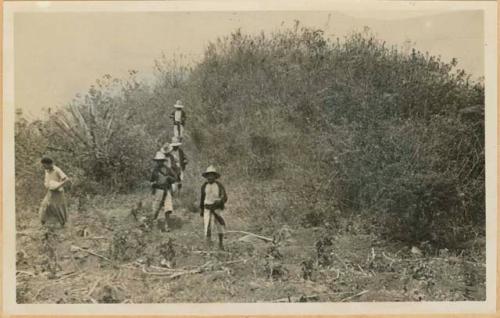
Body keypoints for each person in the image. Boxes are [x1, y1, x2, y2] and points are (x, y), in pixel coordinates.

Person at [199, 166, 228, 250]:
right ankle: (208, 245)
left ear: (215, 176)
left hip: (217, 208)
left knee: (220, 226)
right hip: (207, 208)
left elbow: (225, 197)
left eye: (212, 175)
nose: (210, 177)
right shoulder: (204, 186)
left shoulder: (219, 185)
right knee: (207, 226)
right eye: (208, 175)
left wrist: (220, 201)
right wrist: (201, 209)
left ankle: (221, 244)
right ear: (206, 177)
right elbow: (202, 198)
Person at [38, 157, 70, 228]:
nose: (43, 167)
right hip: (50, 191)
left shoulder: (57, 170)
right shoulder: (46, 170)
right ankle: (44, 223)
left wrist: (58, 185)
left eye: (44, 165)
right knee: (44, 205)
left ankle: (62, 224)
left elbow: (66, 179)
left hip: (58, 192)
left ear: (49, 164)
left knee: (58, 208)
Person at [150, 151, 177, 232]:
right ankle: (153, 225)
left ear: (163, 161)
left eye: (161, 160)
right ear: (156, 161)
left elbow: (175, 178)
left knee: (167, 209)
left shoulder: (167, 169)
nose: (159, 162)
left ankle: (167, 226)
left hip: (167, 189)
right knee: (156, 208)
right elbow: (151, 181)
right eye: (158, 161)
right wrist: (153, 184)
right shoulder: (155, 171)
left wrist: (169, 178)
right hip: (158, 190)